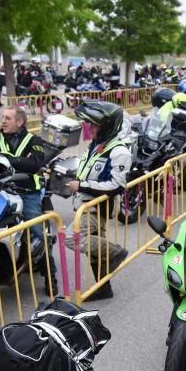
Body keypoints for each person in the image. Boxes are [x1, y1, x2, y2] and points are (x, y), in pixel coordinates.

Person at [0, 106, 56, 290]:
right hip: (0, 191)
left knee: (38, 234)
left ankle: (50, 277)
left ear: (19, 122)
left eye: (8, 118)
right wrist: (20, 161)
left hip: (27, 191)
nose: (3, 121)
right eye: (3, 117)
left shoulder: (34, 140)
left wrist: (5, 158)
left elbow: (35, 163)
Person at [64, 101, 130, 300]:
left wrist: (82, 186)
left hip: (97, 208)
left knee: (71, 238)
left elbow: (117, 186)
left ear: (106, 127)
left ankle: (116, 253)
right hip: (84, 204)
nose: (89, 128)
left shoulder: (119, 151)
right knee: (94, 252)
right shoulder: (96, 146)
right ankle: (103, 289)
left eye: (94, 125)